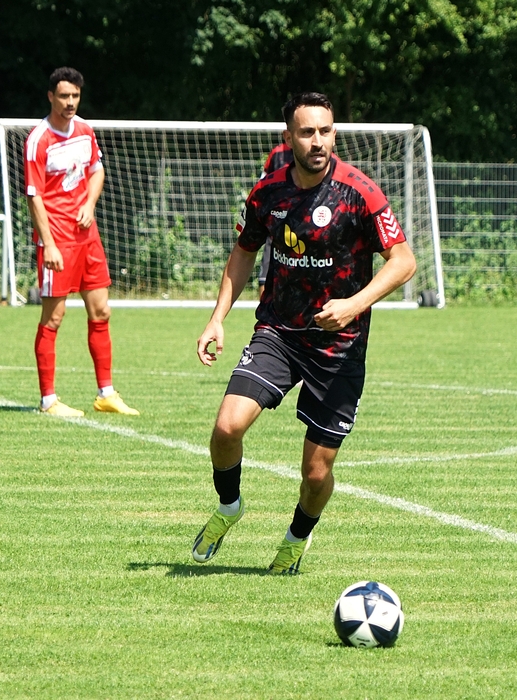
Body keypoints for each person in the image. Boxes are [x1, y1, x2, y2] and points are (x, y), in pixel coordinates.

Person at [192, 92, 417, 574]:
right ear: (289, 137)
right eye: (307, 132)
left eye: (326, 131)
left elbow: (403, 261)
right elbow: (244, 251)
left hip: (339, 348)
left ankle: (296, 538)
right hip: (279, 333)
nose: (318, 141)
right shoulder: (267, 192)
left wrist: (354, 305)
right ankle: (229, 506)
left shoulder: (360, 193)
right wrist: (217, 318)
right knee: (226, 428)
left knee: (315, 474)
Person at [25, 66, 139, 417]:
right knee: (54, 317)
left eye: (75, 95)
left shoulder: (85, 131)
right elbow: (34, 196)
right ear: (51, 97)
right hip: (57, 239)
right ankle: (48, 401)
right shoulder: (38, 140)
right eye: (64, 96)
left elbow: (97, 171)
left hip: (87, 238)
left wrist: (89, 204)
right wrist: (49, 244)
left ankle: (106, 394)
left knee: (101, 311)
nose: (70, 102)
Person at [256, 142, 294, 297]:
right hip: (277, 225)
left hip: (307, 225)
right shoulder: (277, 153)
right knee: (265, 277)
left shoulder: (322, 156)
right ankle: (265, 308)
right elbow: (262, 185)